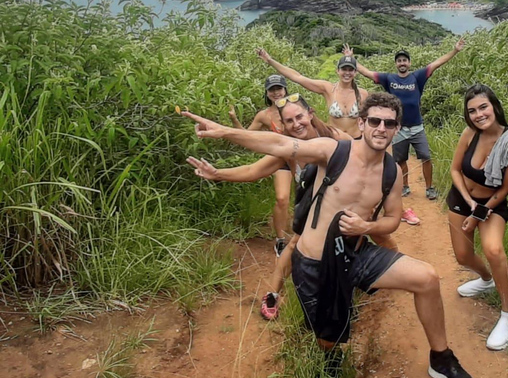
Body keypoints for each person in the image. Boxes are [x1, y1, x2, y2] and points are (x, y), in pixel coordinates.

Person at [182, 93, 473, 378]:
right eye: (374, 121)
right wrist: (224, 133)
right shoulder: (333, 151)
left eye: (389, 123)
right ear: (361, 123)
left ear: (397, 128)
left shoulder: (392, 172)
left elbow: (393, 219)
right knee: (328, 338)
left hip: (355, 253)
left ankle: (441, 358)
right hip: (315, 263)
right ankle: (329, 358)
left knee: (427, 278)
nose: (381, 129)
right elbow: (280, 143)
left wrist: (367, 228)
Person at [347, 37, 465, 225]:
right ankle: (406, 186)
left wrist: (455, 50)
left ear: (409, 63)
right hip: (398, 128)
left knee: (426, 156)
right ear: (396, 64)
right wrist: (351, 60)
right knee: (400, 159)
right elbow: (368, 73)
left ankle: (429, 187)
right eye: (399, 61)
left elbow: (437, 63)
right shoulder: (389, 79)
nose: (402, 63)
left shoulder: (417, 76)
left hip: (417, 126)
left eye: (405, 60)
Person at [447, 84, 508, 351]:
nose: (478, 115)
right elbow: (455, 170)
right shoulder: (469, 133)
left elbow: (504, 189)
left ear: (494, 106)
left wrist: (478, 212)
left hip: (492, 204)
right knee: (462, 256)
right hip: (462, 198)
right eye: (472, 111)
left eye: (483, 107)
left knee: (494, 250)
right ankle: (486, 280)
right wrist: (469, 203)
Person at [228, 74, 292, 256]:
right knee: (282, 198)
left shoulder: (297, 107)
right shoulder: (264, 115)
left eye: (279, 88)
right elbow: (247, 137)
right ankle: (280, 239)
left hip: (304, 157)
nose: (276, 92)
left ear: (285, 89)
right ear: (267, 92)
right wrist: (234, 119)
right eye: (272, 90)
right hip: (281, 160)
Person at [257, 49, 369, 138]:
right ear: (338, 71)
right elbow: (298, 77)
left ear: (355, 72)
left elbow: (368, 120)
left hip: (356, 139)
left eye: (351, 70)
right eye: (344, 69)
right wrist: (270, 60)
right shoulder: (328, 89)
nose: (347, 73)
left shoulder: (362, 94)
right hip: (335, 140)